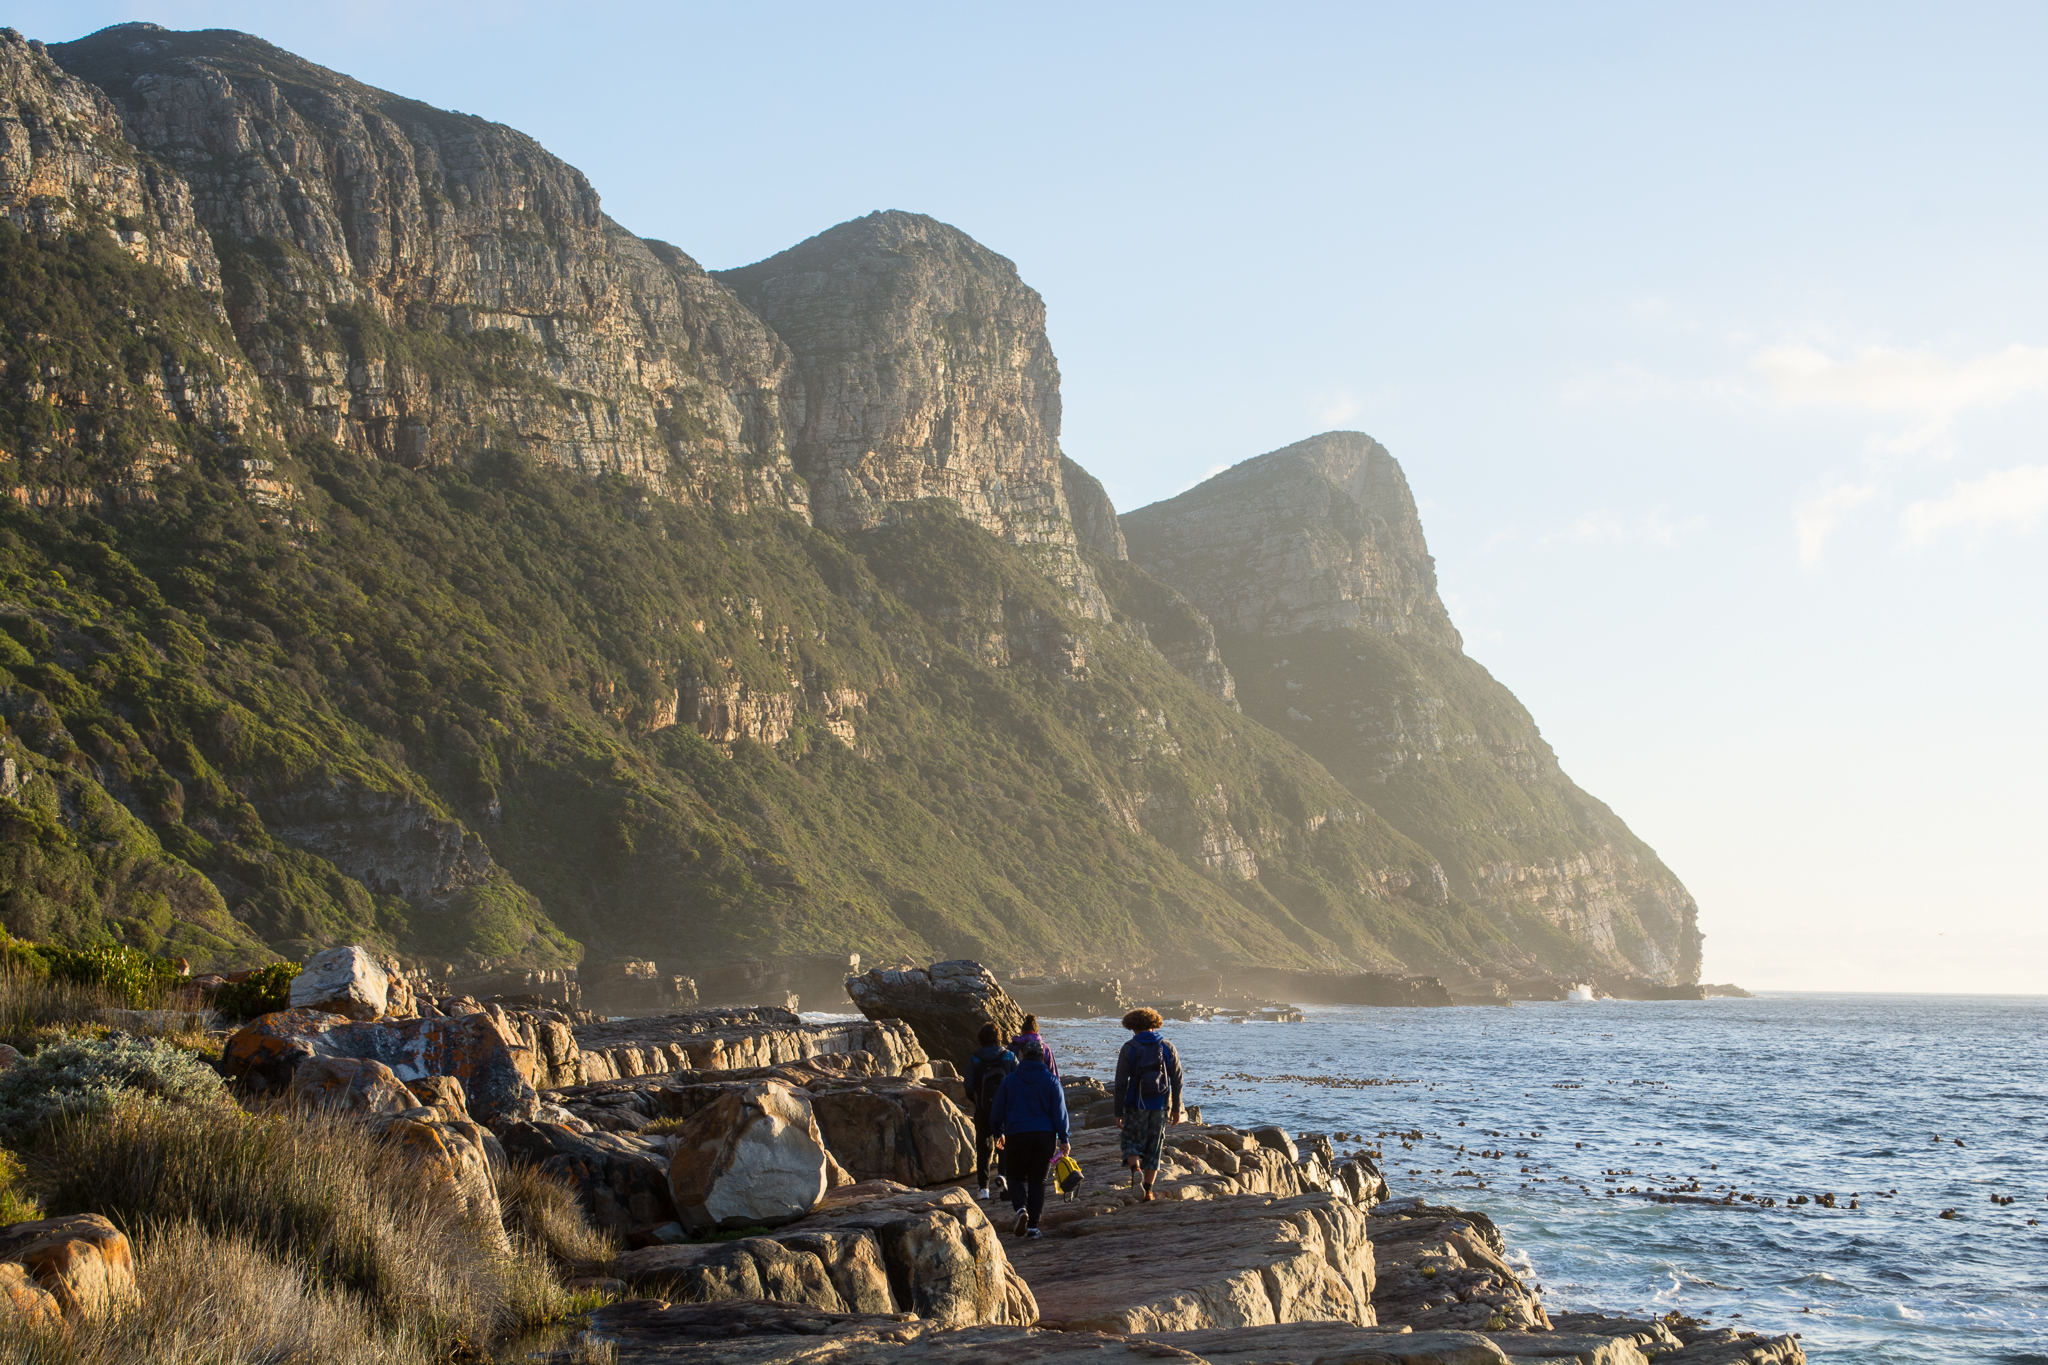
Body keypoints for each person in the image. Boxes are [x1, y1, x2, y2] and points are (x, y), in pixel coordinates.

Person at [989, 1042, 1069, 1238]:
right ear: (1043, 1057)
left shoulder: (1010, 1080)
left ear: (1022, 1055)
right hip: (1045, 1136)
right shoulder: (1051, 1081)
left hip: (1016, 1134)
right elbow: (1060, 1113)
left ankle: (1020, 1210)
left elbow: (997, 1111)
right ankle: (1033, 1227)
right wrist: (1064, 1138)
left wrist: (998, 1132)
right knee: (1038, 1181)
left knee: (1014, 1177)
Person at [1112, 1006, 1183, 1202]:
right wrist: (1176, 1108)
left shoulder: (1129, 1048)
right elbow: (1177, 1080)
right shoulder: (1167, 1046)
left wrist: (1118, 1111)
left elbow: (1120, 1082)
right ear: (1154, 1024)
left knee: (1130, 1142)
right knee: (1155, 1146)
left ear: (1132, 1027)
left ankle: (1135, 1170)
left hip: (1135, 1105)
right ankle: (1148, 1191)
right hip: (1160, 1106)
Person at [963, 1023, 1017, 1199]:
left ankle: (983, 1189)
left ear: (981, 1038)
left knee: (984, 1148)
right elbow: (1018, 1081)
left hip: (983, 1110)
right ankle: (1003, 1179)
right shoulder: (1009, 1056)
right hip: (1006, 1110)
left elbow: (968, 1085)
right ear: (999, 1037)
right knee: (1004, 1146)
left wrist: (979, 1101)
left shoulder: (975, 1058)